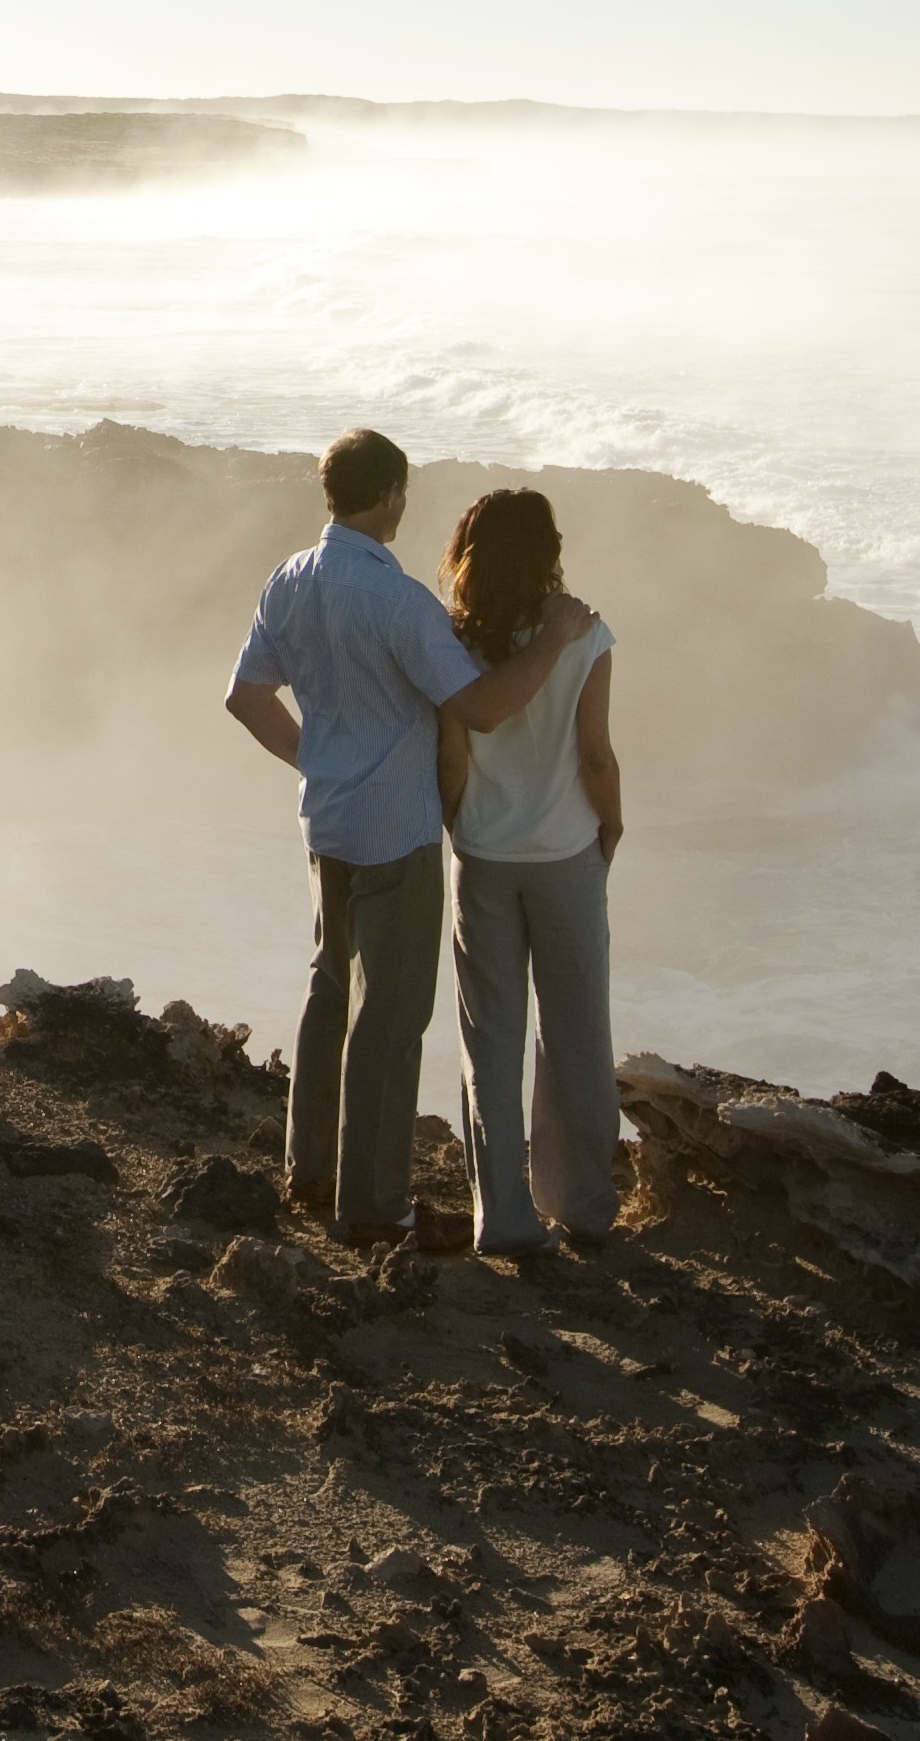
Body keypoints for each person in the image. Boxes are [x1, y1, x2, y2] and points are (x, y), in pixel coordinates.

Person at [224, 429, 593, 1246]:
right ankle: (376, 1206)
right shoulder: (399, 603)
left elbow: (246, 698)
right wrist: (557, 638)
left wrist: (313, 758)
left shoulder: (290, 578)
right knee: (390, 1021)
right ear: (388, 493)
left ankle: (311, 1172)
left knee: (329, 992)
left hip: (325, 819)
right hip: (395, 830)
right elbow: (485, 708)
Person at [439, 483, 622, 1263]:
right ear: (548, 551)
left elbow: (451, 757)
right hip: (565, 855)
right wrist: (610, 822)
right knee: (577, 1034)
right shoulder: (583, 635)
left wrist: (459, 828)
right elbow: (594, 754)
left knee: (491, 1039)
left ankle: (505, 1218)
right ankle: (583, 1206)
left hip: (483, 855)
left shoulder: (449, 640)